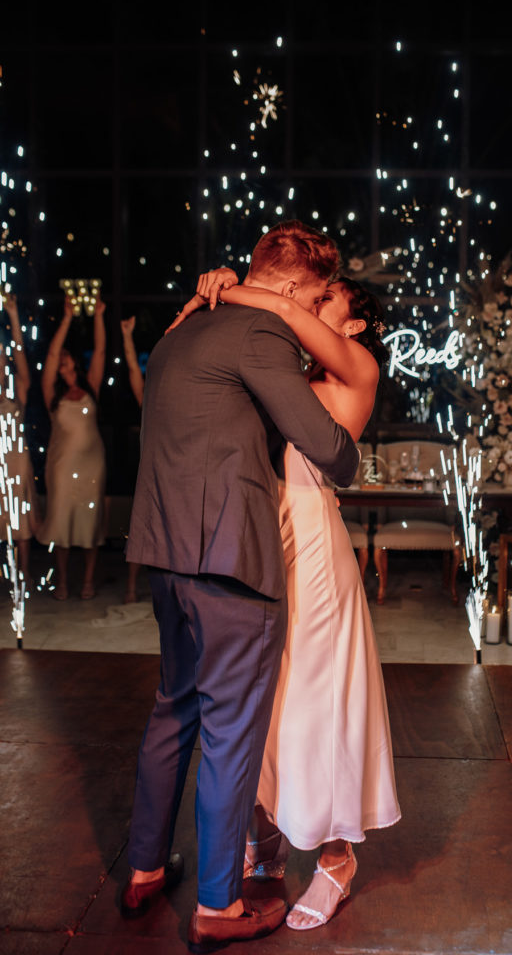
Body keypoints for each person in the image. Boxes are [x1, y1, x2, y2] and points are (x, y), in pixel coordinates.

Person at [122, 221, 359, 952]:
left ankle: (144, 869)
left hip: (163, 558)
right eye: (314, 297)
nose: (313, 313)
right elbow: (332, 451)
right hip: (230, 565)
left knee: (174, 713)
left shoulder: (180, 333)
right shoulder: (259, 336)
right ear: (289, 289)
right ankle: (219, 906)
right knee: (230, 737)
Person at [175, 270, 401, 932]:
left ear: (354, 322)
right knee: (261, 704)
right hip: (260, 543)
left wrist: (229, 286)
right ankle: (266, 841)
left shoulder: (357, 367)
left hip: (317, 554)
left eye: (324, 295)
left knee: (312, 706)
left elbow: (281, 309)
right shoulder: (284, 370)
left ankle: (336, 861)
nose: (307, 300)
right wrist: (203, 297)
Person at [38, 296, 107, 600]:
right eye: (60, 356)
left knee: (89, 521)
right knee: (62, 519)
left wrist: (99, 317)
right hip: (63, 465)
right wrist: (66, 318)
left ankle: (89, 581)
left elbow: (102, 351)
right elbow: (52, 353)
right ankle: (63, 580)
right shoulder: (52, 392)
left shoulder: (90, 385)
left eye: (67, 355)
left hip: (92, 464)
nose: (62, 357)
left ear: (75, 362)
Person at [0, 293, 39, 582]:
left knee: (20, 521)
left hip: (16, 461)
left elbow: (20, 355)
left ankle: (23, 574)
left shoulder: (17, 393)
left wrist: (13, 314)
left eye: (1, 358)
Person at [120, 315, 144, 603]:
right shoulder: (150, 397)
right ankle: (129, 588)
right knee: (140, 532)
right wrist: (127, 336)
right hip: (151, 473)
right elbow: (133, 371)